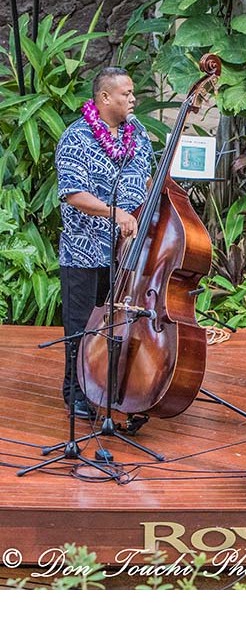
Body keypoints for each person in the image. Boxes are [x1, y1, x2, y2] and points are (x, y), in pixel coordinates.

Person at [55, 67, 153, 419]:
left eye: (132, 93)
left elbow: (147, 178)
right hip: (85, 249)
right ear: (105, 97)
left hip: (127, 251)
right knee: (82, 325)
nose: (133, 99)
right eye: (126, 93)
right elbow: (72, 193)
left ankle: (116, 386)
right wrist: (116, 214)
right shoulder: (76, 137)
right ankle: (77, 391)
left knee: (121, 323)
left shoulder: (137, 134)